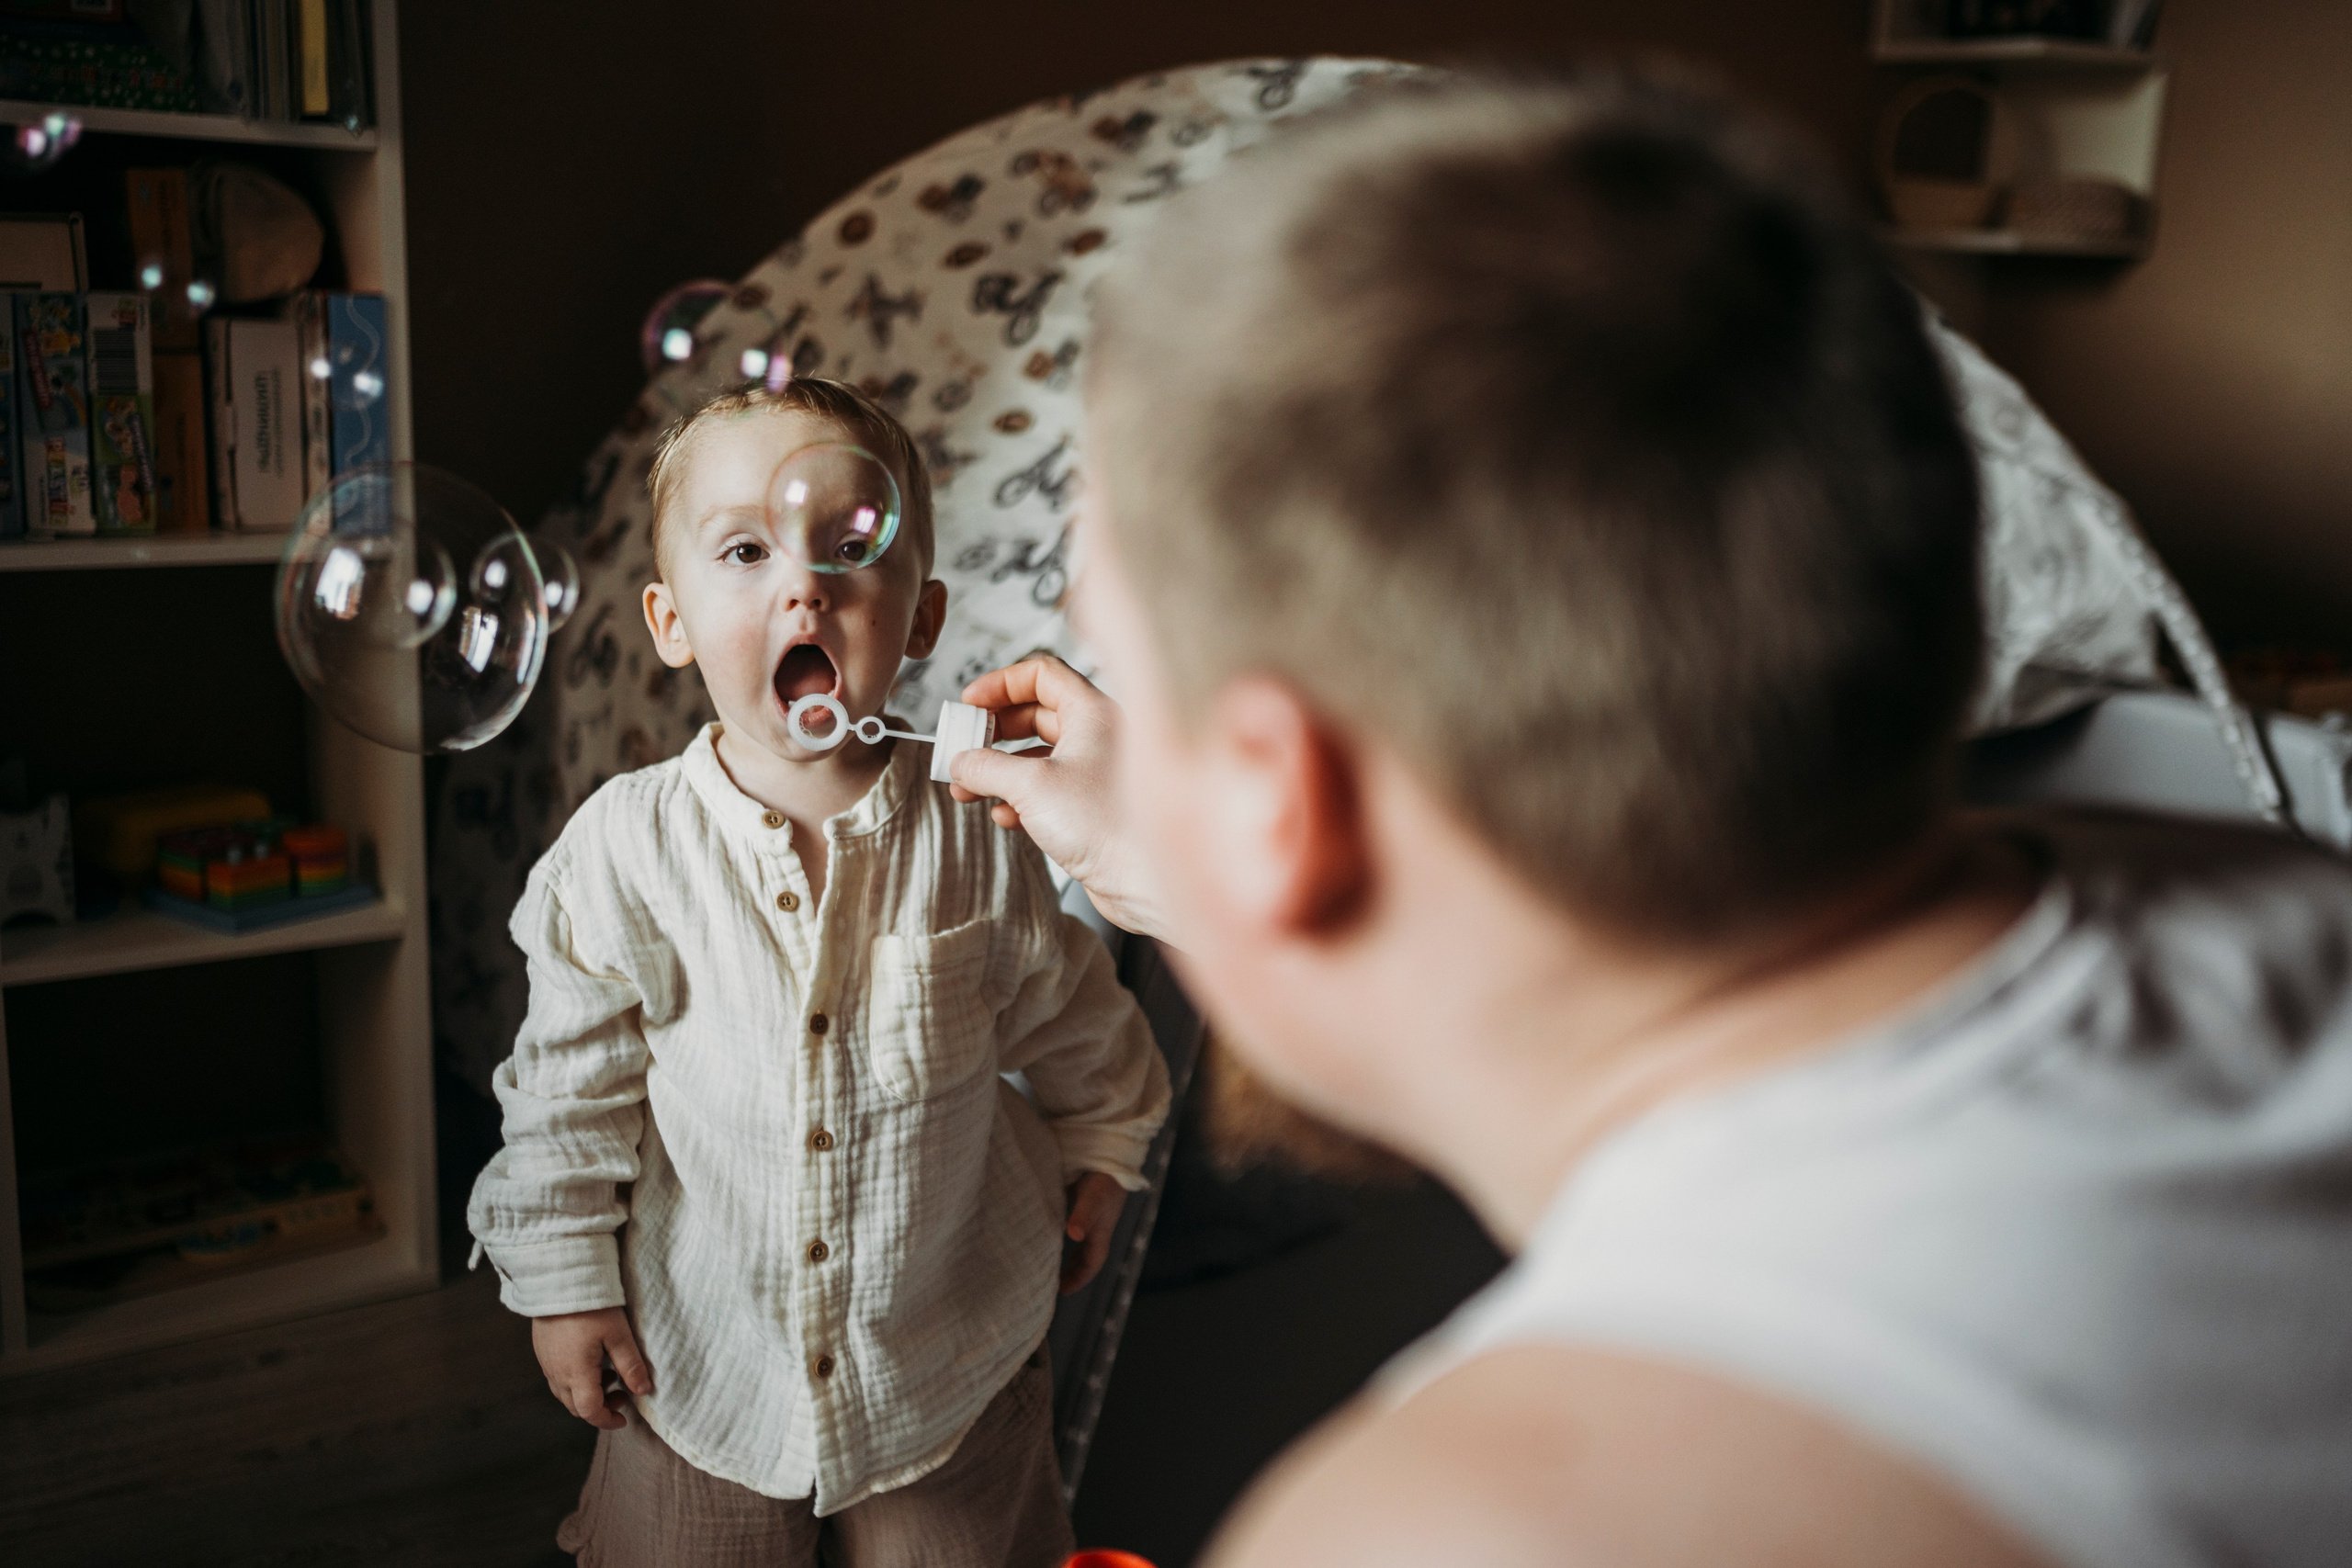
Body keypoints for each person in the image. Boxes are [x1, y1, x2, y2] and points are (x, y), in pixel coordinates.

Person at [948, 73, 2352, 1568]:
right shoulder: (2280, 892)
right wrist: (1200, 856)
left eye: (1118, 642)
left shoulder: (1456, 1530)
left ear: (1284, 801)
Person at [467, 376, 1170, 1567]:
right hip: (702, 1362)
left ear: (923, 617)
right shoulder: (624, 852)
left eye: (852, 549)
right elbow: (562, 1098)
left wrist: (1106, 1144)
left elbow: (1073, 1014)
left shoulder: (981, 830)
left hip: (945, 1351)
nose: (805, 585)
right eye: (743, 550)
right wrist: (565, 1283)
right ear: (670, 620)